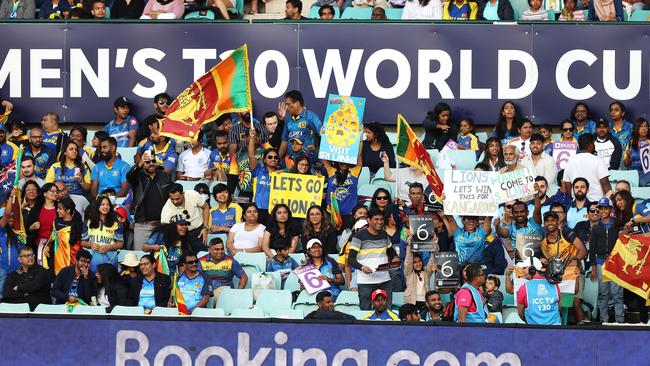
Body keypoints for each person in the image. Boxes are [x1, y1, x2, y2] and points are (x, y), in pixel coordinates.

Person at [349, 209, 400, 310]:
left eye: (381, 219)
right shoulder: (359, 236)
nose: (380, 222)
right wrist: (362, 267)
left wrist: (394, 257)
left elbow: (391, 252)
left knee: (387, 312)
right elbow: (351, 259)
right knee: (365, 311)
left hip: (385, 280)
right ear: (368, 220)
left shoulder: (384, 234)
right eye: (376, 219)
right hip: (365, 282)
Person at [127, 150, 172, 250]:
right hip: (143, 226)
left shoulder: (164, 176)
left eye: (153, 161)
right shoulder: (137, 176)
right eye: (148, 162)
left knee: (162, 257)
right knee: (140, 257)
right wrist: (139, 164)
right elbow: (129, 177)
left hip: (162, 225)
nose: (151, 164)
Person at [589, 198, 625, 323]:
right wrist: (593, 268)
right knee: (603, 294)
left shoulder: (618, 225)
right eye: (601, 208)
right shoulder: (596, 227)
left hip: (616, 263)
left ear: (611, 209)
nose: (603, 211)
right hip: (601, 263)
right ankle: (604, 321)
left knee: (617, 294)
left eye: (606, 208)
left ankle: (620, 321)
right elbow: (592, 249)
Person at [160, 183, 211, 252]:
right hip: (180, 236)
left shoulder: (193, 195)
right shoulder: (166, 210)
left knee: (201, 255)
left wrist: (205, 227)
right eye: (172, 199)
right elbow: (165, 229)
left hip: (198, 231)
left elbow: (206, 207)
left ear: (183, 194)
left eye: (177, 198)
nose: (175, 201)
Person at [562, 134, 612, 203]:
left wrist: (574, 196)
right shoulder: (598, 160)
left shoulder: (570, 161)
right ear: (590, 145)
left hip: (577, 203)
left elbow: (567, 184)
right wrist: (610, 200)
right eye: (594, 143)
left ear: (578, 146)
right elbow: (604, 182)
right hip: (596, 203)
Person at [45, 140, 91, 216]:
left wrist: (81, 181)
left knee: (77, 211)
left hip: (77, 196)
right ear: (65, 152)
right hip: (58, 197)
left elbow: (88, 188)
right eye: (71, 149)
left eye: (76, 149)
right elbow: (48, 185)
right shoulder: (55, 166)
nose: (74, 151)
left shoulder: (83, 167)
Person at [81, 195, 124, 272]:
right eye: (103, 204)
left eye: (108, 205)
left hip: (109, 259)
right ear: (97, 206)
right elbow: (83, 242)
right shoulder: (88, 222)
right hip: (91, 259)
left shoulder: (116, 223)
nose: (106, 207)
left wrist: (109, 247)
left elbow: (120, 243)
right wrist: (90, 245)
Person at [199, 238, 248, 306]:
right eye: (217, 249)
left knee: (222, 291)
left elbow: (244, 277)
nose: (220, 251)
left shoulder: (230, 261)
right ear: (209, 250)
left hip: (224, 292)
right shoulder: (201, 261)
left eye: (222, 249)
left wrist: (238, 292)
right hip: (207, 292)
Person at [516, 257, 561, 325]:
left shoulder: (523, 288)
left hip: (534, 330)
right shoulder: (554, 285)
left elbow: (520, 313)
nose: (523, 271)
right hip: (555, 328)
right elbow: (559, 307)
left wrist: (529, 321)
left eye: (524, 267)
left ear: (532, 269)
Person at [278, 90, 322, 158]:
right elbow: (285, 141)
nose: (286, 108)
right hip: (291, 162)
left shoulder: (311, 116)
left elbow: (322, 135)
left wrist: (317, 151)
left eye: (288, 104)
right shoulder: (288, 120)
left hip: (307, 161)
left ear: (297, 103)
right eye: (286, 104)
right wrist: (278, 159)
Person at [25, 183, 59, 266]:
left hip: (55, 246)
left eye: (56, 191)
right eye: (52, 191)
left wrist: (50, 245)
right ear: (44, 194)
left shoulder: (60, 209)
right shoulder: (35, 210)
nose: (55, 193)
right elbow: (26, 231)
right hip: (37, 246)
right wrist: (32, 227)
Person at [248, 133, 280, 223]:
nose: (273, 159)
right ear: (265, 160)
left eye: (275, 157)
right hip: (259, 209)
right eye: (270, 157)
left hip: (275, 211)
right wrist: (251, 138)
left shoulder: (282, 175)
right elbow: (251, 155)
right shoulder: (258, 171)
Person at [51, 197, 83, 272]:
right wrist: (47, 246)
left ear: (68, 210)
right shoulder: (56, 221)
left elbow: (78, 246)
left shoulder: (77, 224)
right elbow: (53, 235)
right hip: (57, 257)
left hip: (71, 258)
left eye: (60, 208)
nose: (57, 210)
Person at [404, 237, 434, 311]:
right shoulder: (409, 272)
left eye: (419, 261)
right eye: (415, 262)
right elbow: (408, 260)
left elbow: (432, 260)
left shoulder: (426, 272)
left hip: (425, 302)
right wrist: (409, 245)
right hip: (412, 302)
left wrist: (435, 244)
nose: (418, 264)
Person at [624, 118, 650, 186]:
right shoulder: (630, 142)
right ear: (637, 128)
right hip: (633, 173)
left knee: (641, 182)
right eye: (641, 126)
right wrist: (628, 155)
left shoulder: (649, 142)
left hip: (647, 173)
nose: (644, 129)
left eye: (646, 126)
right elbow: (626, 164)